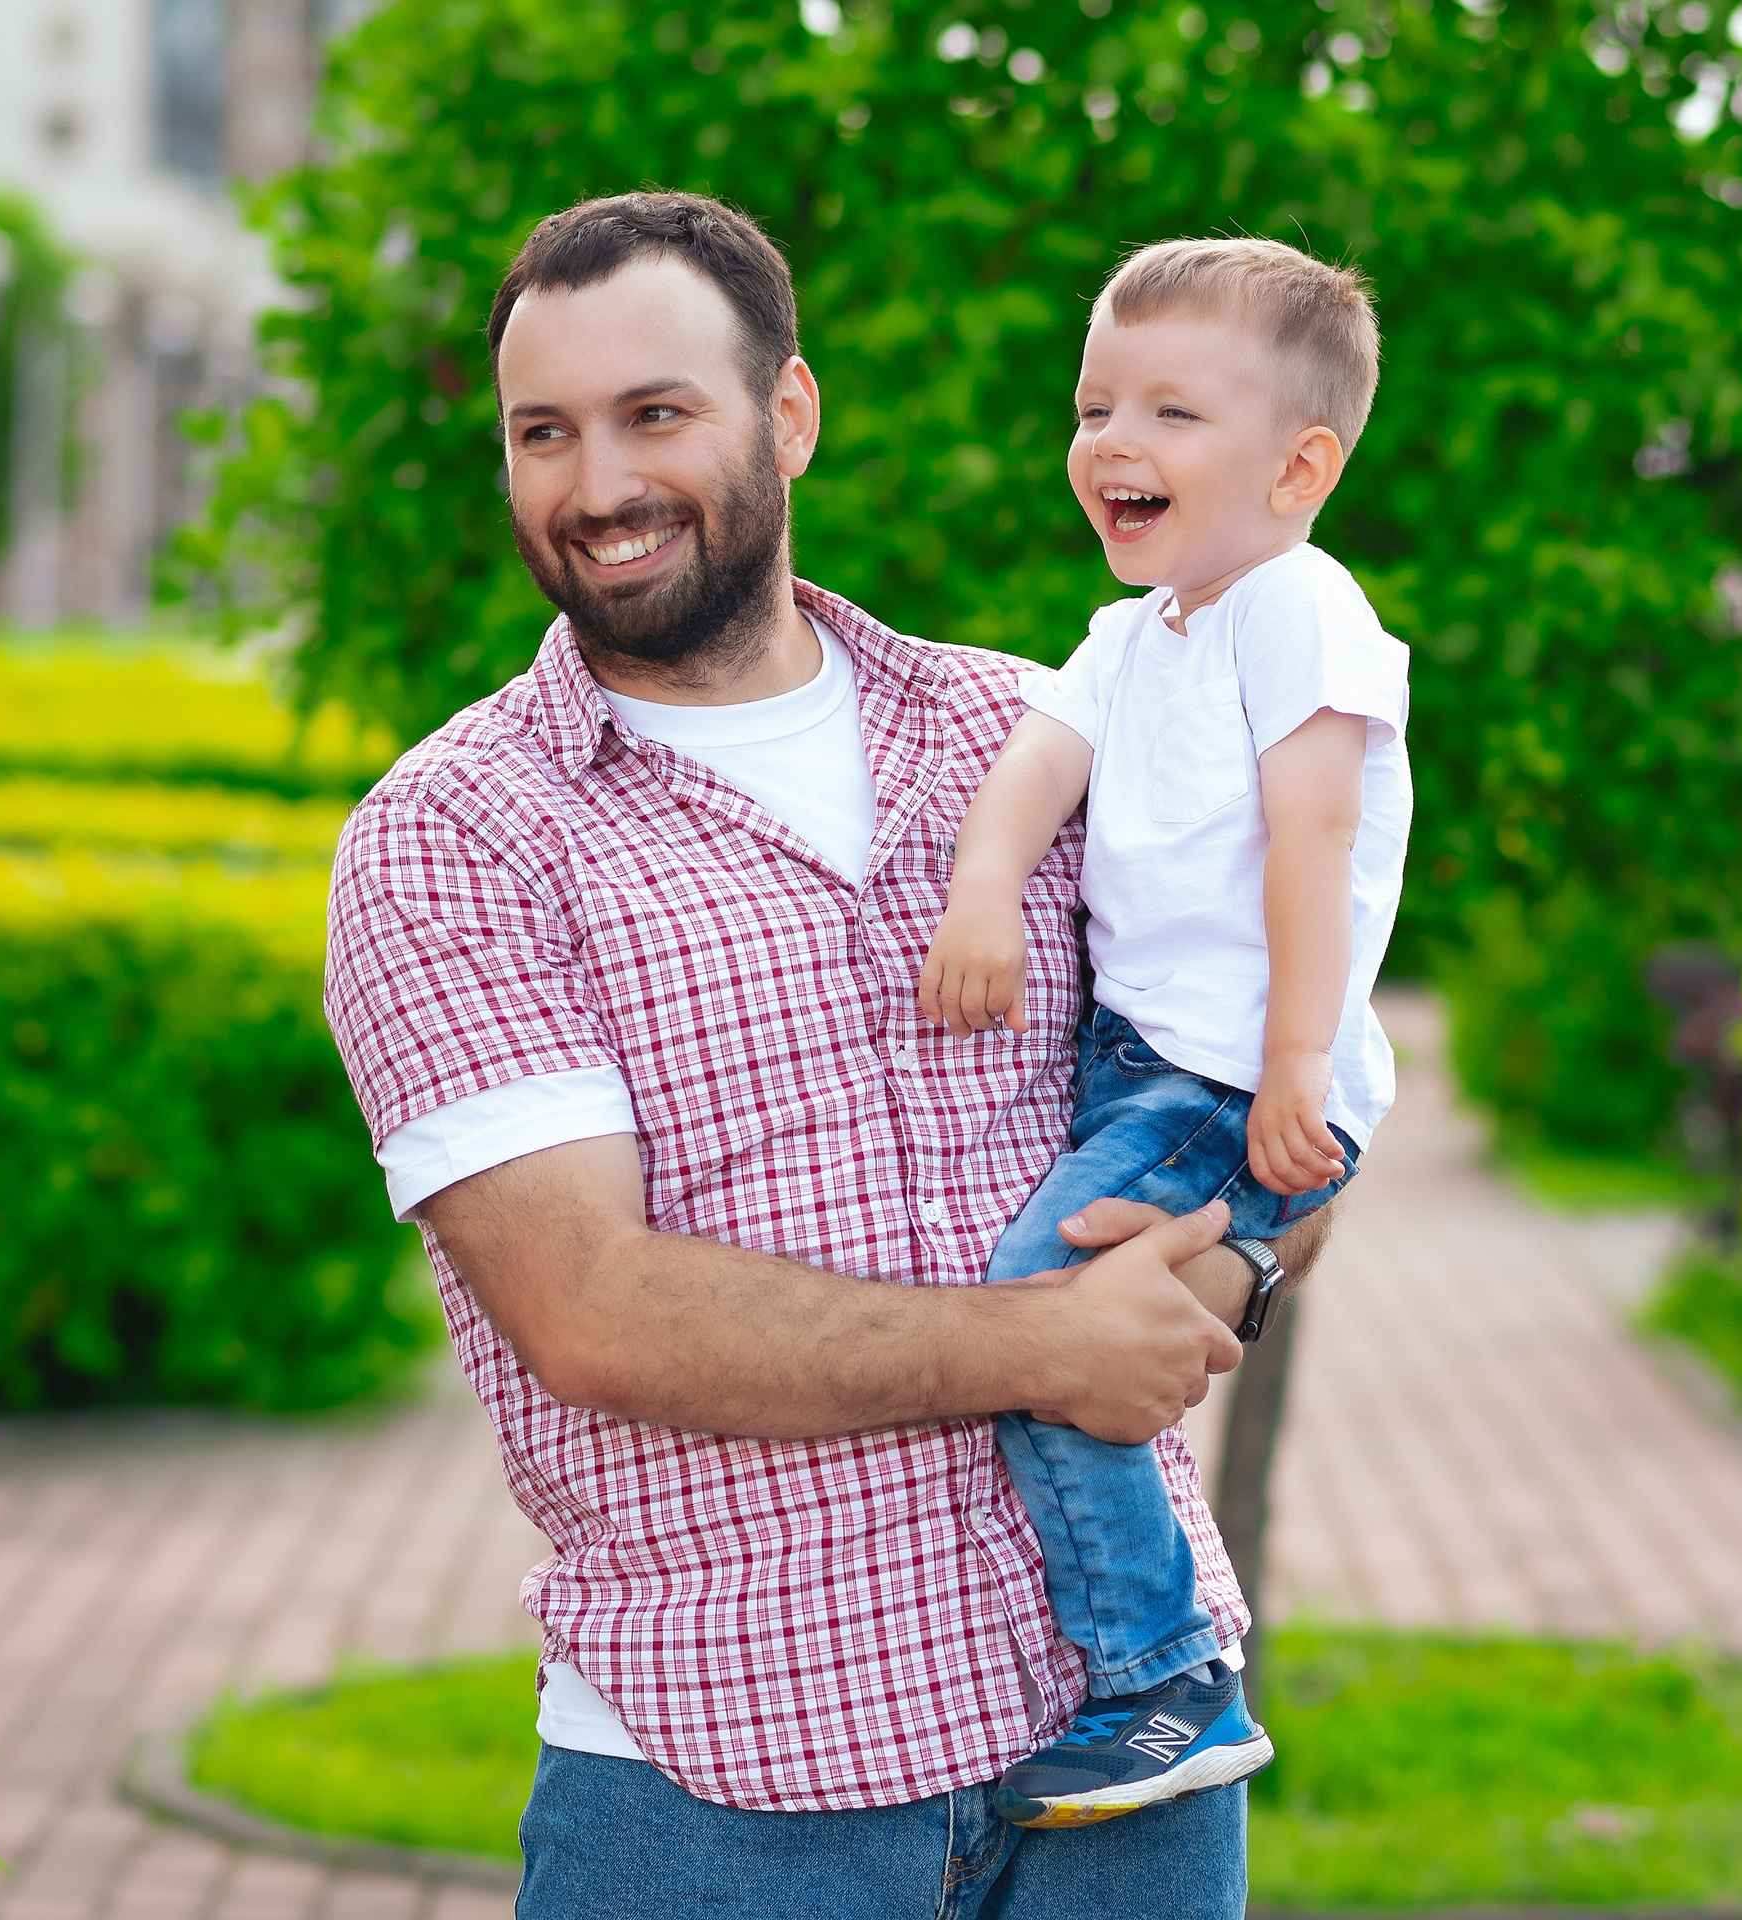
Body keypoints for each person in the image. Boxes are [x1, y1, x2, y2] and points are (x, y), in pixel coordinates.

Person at [322, 191, 1331, 1918]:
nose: (597, 483)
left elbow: (1252, 1092)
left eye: (657, 414)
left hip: (1129, 1760)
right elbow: (590, 1314)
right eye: (541, 433)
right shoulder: (452, 839)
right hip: (728, 1795)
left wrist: (1222, 1280)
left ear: (788, 415)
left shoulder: (1033, 729)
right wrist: (1051, 1345)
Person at [918, 237, 1412, 1829]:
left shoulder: (1298, 610)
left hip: (1233, 1072)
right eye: (1094, 405)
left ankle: (1163, 1679)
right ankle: (1126, 1663)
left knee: (1034, 1311)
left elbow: (1314, 847)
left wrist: (1292, 1075)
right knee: (1052, 1307)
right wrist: (984, 895)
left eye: (1170, 414)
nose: (1113, 444)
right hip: (1151, 1057)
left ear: (1299, 465)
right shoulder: (1138, 634)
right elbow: (1036, 768)